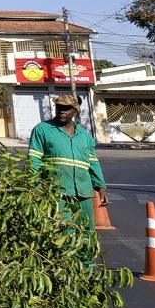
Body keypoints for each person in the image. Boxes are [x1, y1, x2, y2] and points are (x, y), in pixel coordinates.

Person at [27, 94, 107, 236]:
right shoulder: (42, 130)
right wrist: (35, 187)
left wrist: (101, 186)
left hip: (84, 193)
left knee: (87, 232)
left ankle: (86, 259)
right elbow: (34, 160)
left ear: (75, 112)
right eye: (59, 108)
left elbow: (93, 163)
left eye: (66, 109)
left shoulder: (85, 136)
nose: (61, 111)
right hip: (57, 192)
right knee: (64, 233)